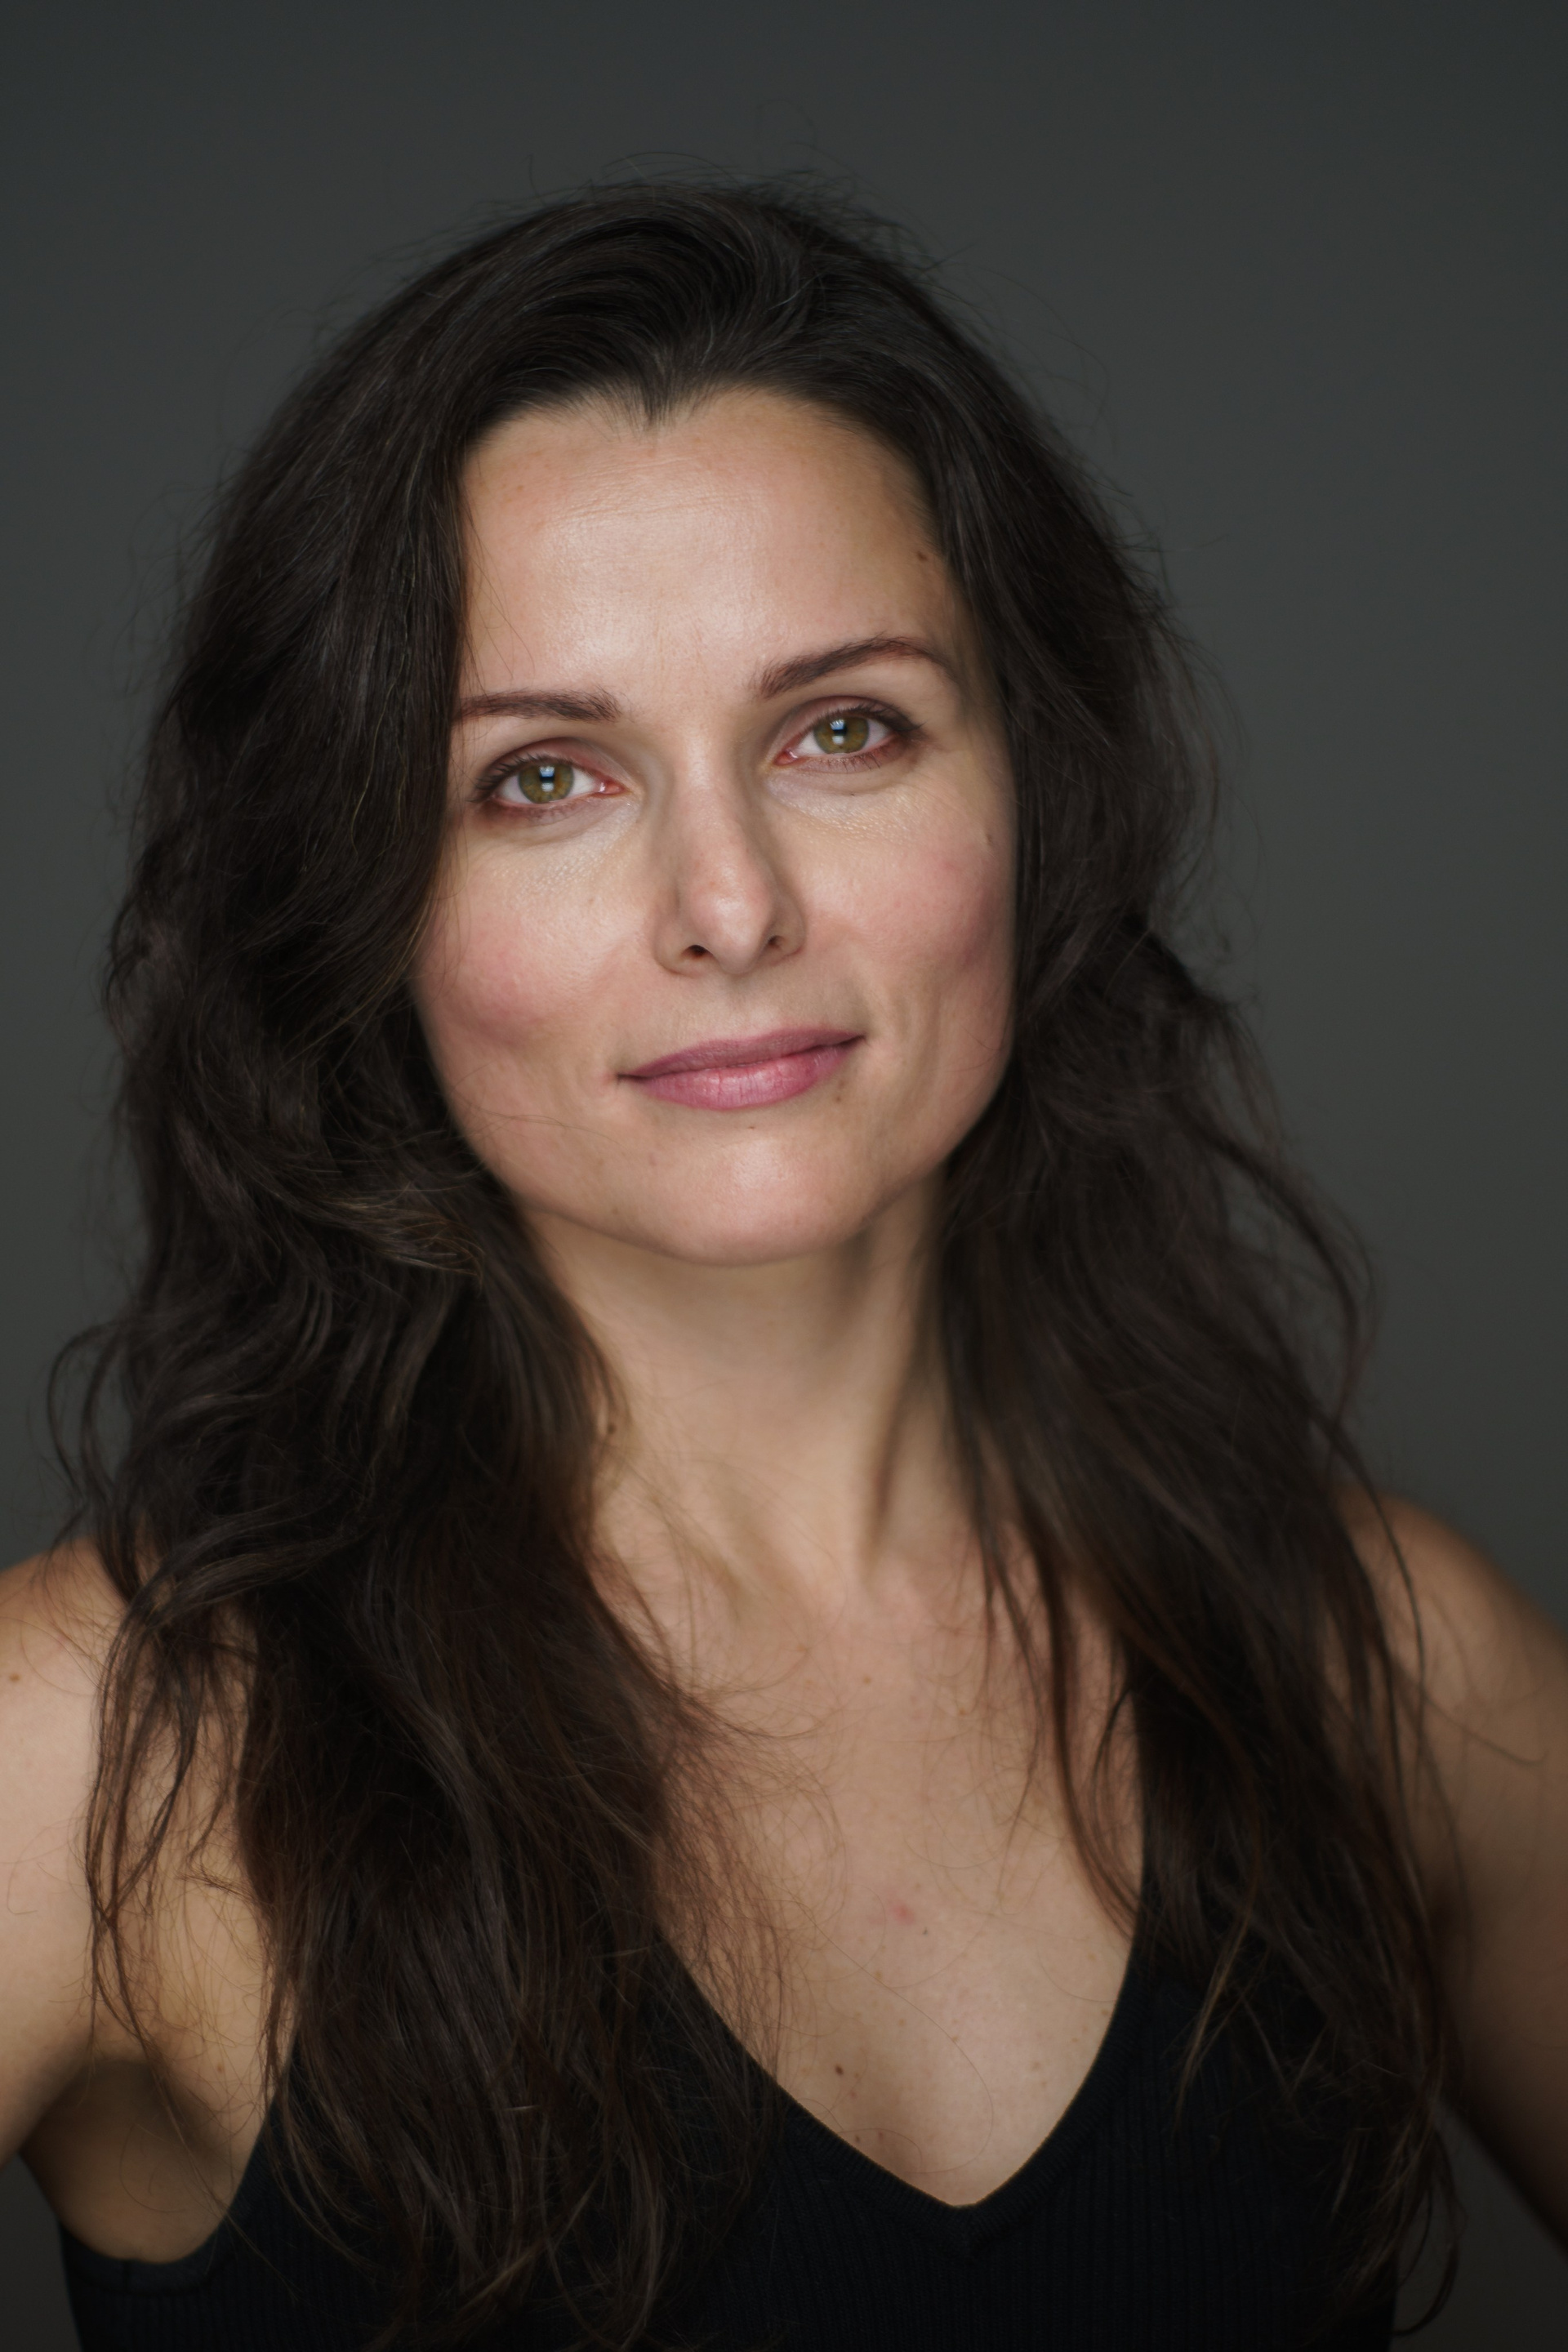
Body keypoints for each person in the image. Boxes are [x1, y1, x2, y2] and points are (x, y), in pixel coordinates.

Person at [2, 181, 1564, 2352]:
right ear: (359, 896)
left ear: (1035, 792)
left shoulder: (1382, 1666)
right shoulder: (101, 1743)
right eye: (543, 778)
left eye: (845, 729)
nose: (730, 907)